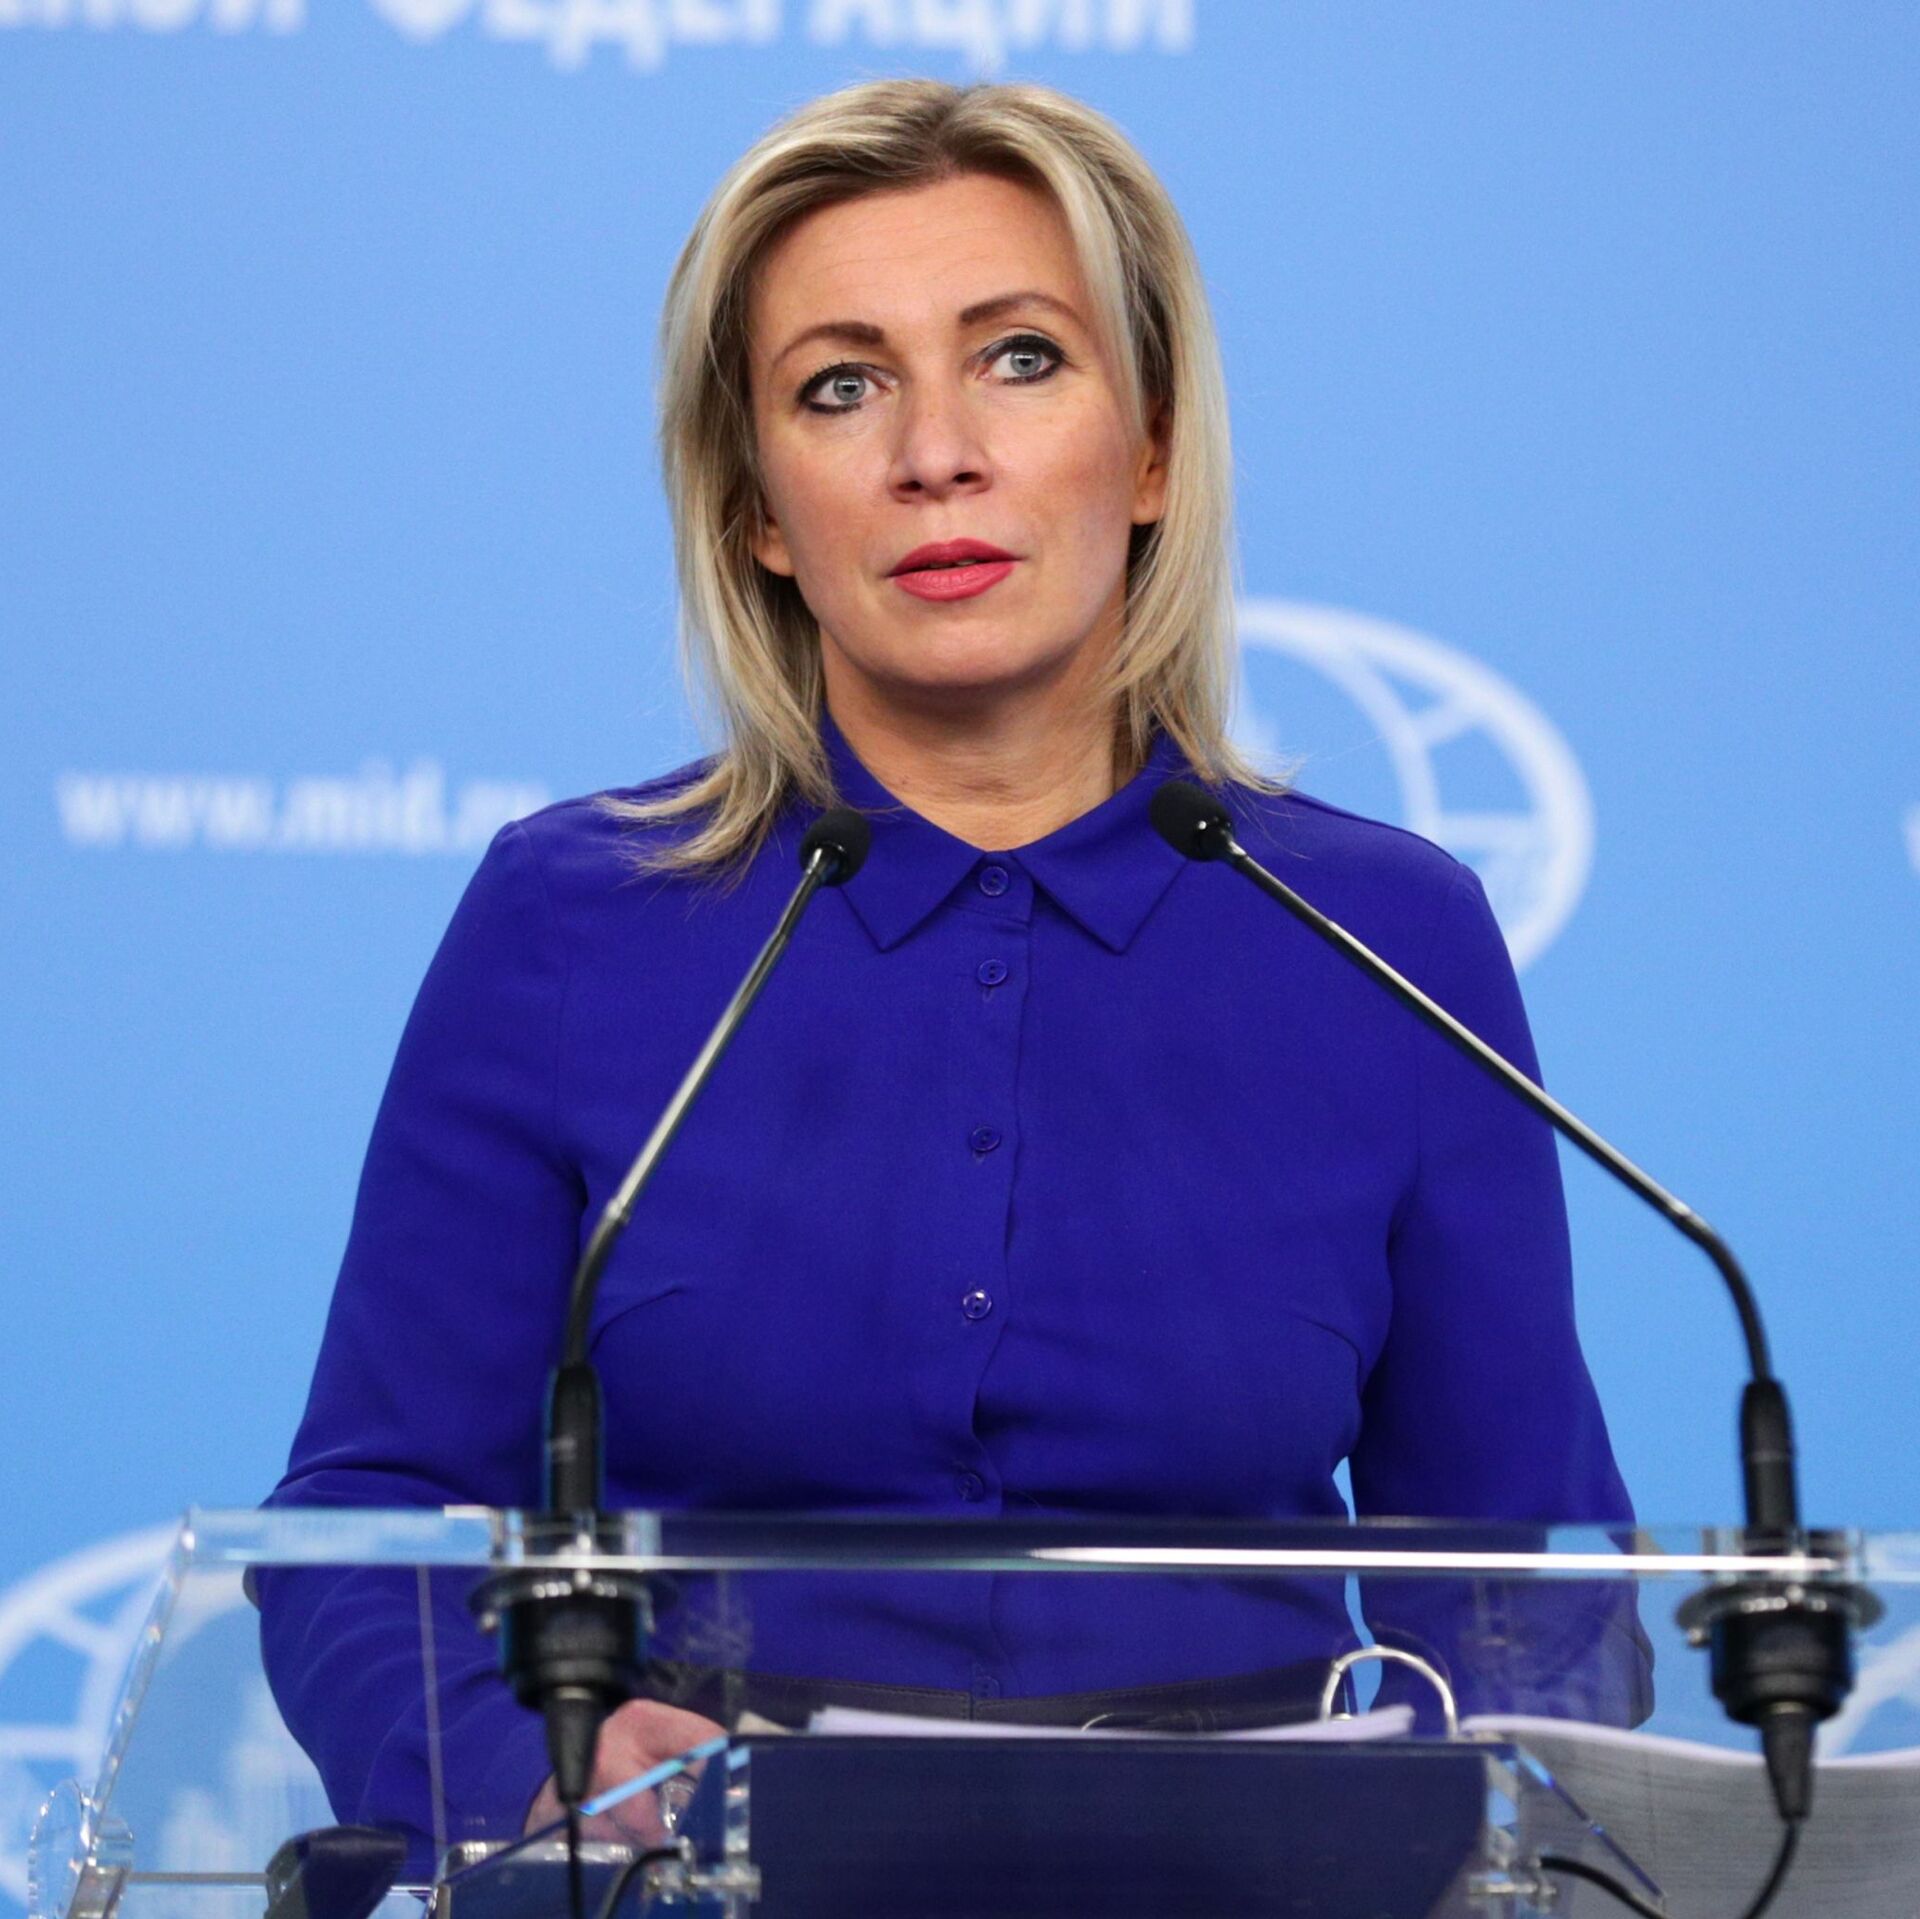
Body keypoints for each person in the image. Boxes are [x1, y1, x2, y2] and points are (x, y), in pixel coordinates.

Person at [258, 77, 1648, 1856]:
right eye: (841, 387)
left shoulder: (1391, 939)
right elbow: (363, 1527)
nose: (937, 452)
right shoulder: (570, 919)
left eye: (1020, 359)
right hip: (708, 1872)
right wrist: (532, 1762)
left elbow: (1527, 1586)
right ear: (759, 509)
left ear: (1152, 450)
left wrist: (1461, 1832)